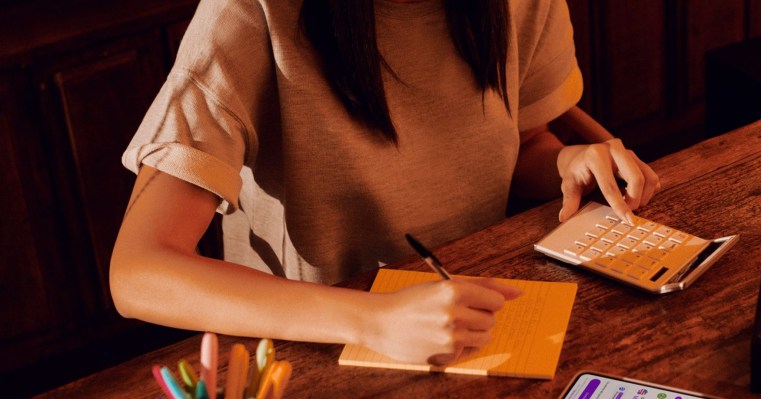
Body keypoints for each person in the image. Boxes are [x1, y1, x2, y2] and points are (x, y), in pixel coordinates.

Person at [110, 0, 660, 366]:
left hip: (486, 314)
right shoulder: (250, 14)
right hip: (318, 346)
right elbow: (138, 273)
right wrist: (372, 321)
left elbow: (521, 141)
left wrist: (564, 163)